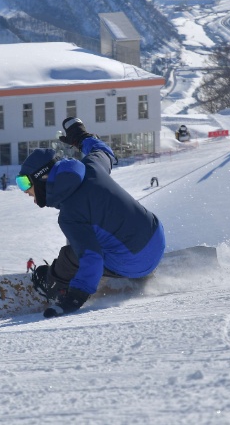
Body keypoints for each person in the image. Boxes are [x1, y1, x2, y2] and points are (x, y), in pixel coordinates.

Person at [17, 117, 165, 318]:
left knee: (70, 255)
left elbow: (92, 258)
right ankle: (139, 267)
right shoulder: (92, 166)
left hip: (133, 263)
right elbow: (104, 151)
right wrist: (81, 137)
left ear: (43, 177)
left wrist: (74, 298)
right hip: (157, 237)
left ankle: (54, 285)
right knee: (95, 231)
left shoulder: (70, 214)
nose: (25, 191)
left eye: (25, 183)